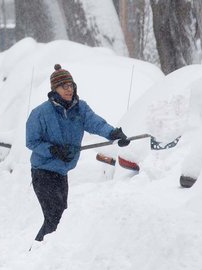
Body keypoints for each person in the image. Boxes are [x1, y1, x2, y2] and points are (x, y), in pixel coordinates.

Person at [26, 64, 130, 242]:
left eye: (71, 85)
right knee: (54, 220)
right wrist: (53, 150)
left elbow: (96, 123)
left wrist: (113, 134)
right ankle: (36, 256)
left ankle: (44, 255)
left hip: (61, 173)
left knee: (59, 219)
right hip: (42, 173)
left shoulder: (80, 108)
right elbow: (31, 142)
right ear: (55, 89)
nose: (69, 90)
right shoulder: (40, 113)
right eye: (64, 86)